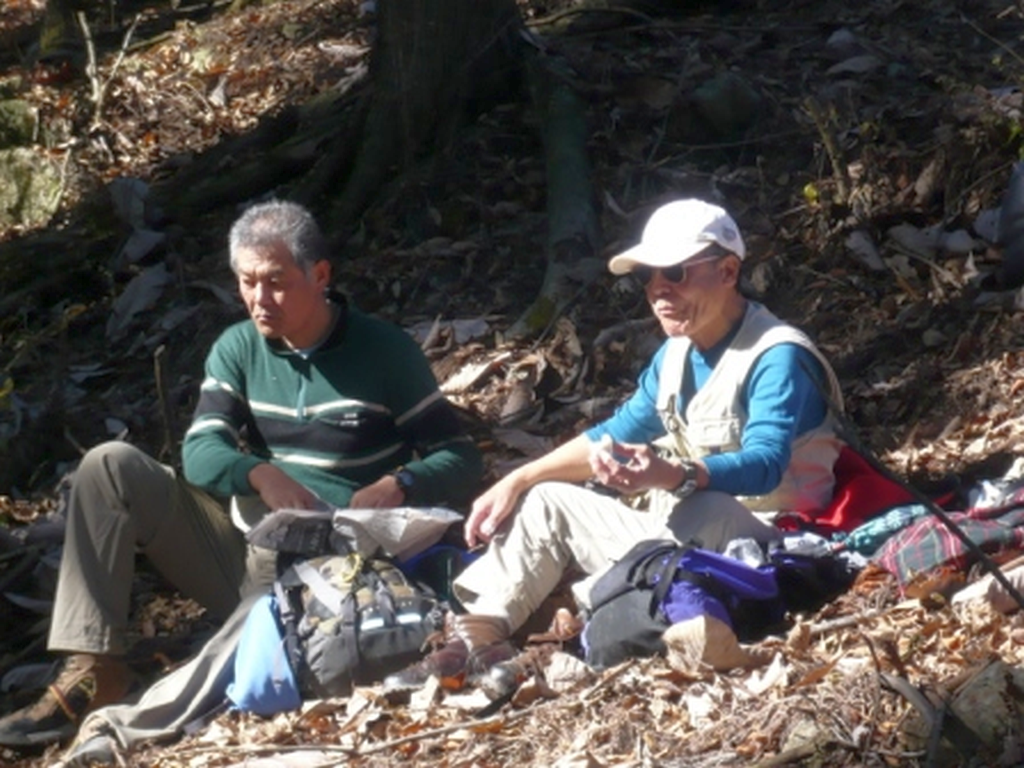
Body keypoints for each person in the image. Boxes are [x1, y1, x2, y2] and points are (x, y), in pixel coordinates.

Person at [0, 200, 483, 747]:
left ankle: (118, 732)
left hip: (331, 572)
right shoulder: (238, 348)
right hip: (243, 547)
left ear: (320, 275)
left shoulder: (384, 352)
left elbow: (462, 457)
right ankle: (94, 669)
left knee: (257, 625)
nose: (259, 299)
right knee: (109, 465)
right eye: (247, 282)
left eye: (276, 282)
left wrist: (398, 484)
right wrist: (259, 474)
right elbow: (201, 452)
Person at [384, 197, 845, 692]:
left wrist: (675, 474)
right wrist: (518, 479)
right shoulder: (676, 353)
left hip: (771, 546)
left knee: (705, 507)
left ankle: (557, 644)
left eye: (675, 271)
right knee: (547, 499)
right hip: (681, 540)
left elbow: (766, 464)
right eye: (648, 277)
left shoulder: (777, 356)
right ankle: (475, 642)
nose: (658, 289)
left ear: (728, 271)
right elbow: (614, 432)